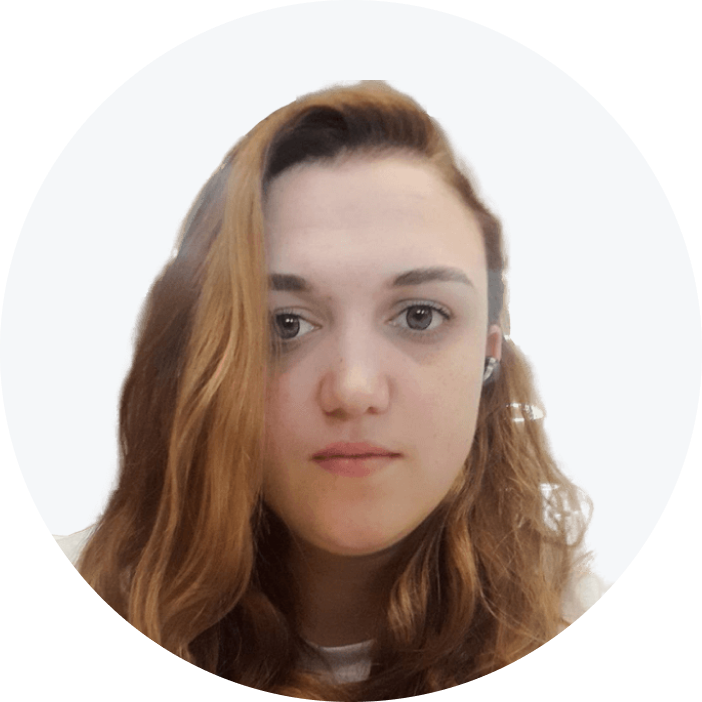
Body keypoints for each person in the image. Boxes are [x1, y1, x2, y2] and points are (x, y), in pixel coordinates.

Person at [53, 80, 606, 698]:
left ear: (488, 355)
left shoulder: (568, 614)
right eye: (285, 324)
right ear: (206, 354)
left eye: (420, 316)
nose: (353, 388)